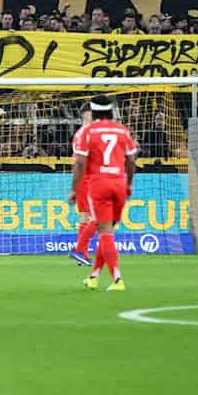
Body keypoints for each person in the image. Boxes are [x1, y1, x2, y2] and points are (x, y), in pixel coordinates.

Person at [71, 98, 138, 292]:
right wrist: (129, 183)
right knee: (107, 231)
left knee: (104, 230)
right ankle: (93, 276)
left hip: (98, 183)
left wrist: (74, 188)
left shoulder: (88, 132)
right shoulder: (122, 130)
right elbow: (131, 160)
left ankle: (117, 279)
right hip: (119, 183)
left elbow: (80, 162)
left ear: (93, 112)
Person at [69, 108, 99, 267]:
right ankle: (80, 250)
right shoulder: (87, 133)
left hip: (83, 177)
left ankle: (83, 253)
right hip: (88, 177)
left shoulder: (81, 133)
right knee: (97, 217)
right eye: (91, 116)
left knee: (85, 216)